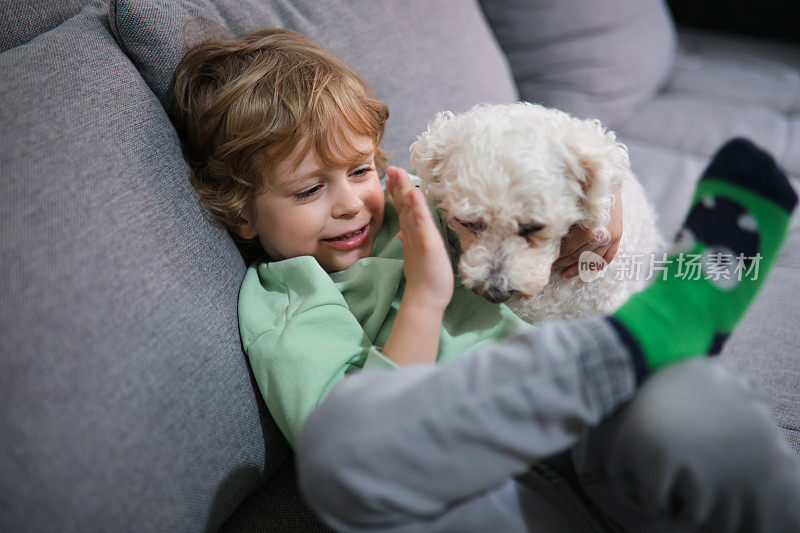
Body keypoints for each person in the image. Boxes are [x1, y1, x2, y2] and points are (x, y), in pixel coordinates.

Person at [171, 27, 800, 532]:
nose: (350, 204)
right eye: (310, 188)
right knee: (339, 449)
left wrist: (597, 226)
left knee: (692, 398)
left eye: (360, 168)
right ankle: (645, 335)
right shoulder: (284, 303)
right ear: (242, 212)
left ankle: (653, 337)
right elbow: (373, 438)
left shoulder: (407, 203)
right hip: (477, 496)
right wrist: (425, 295)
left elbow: (525, 204)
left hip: (593, 441)